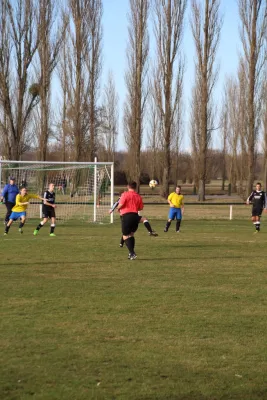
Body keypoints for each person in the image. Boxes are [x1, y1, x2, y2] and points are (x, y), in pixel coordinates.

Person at [117, 182, 144, 260]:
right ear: (135, 187)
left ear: (128, 186)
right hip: (135, 216)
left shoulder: (125, 194)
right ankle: (130, 253)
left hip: (126, 217)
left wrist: (118, 208)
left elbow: (121, 204)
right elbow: (140, 208)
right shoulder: (138, 196)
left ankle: (132, 253)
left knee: (125, 235)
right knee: (131, 234)